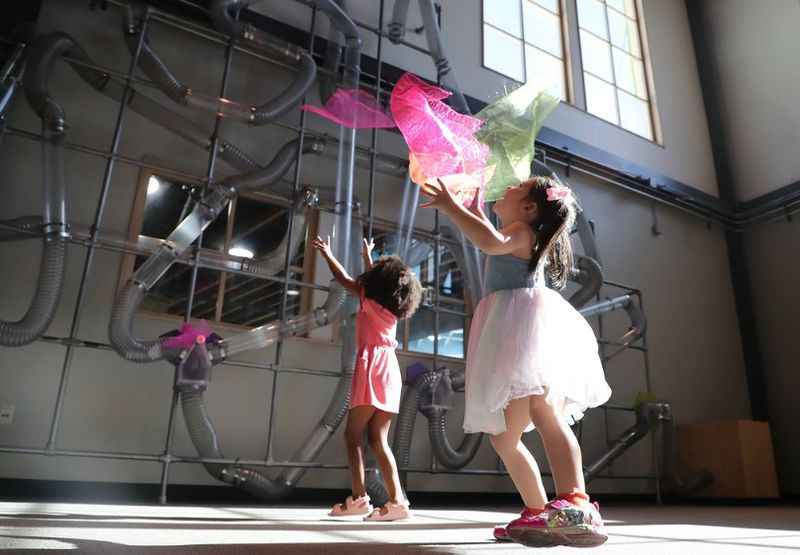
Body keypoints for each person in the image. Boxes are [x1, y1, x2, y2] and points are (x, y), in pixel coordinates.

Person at [420, 176, 612, 547]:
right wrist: (471, 208)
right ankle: (538, 510)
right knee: (504, 438)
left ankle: (576, 501)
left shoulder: (521, 232)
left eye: (515, 188)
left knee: (544, 410)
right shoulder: (518, 229)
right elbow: (491, 235)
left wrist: (452, 207)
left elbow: (490, 241)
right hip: (512, 331)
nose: (505, 189)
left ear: (527, 208)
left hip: (526, 329)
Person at [313, 235, 423, 521]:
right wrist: (367, 257)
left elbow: (344, 278)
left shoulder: (368, 296)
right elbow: (376, 283)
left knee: (353, 435)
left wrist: (327, 253)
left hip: (372, 365)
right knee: (377, 438)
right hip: (389, 370)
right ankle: (397, 502)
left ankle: (360, 498)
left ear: (377, 282)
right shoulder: (389, 305)